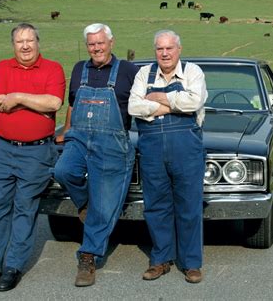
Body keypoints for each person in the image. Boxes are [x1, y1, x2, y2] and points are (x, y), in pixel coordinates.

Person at [0, 23, 65, 292]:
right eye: (19, 41)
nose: (25, 46)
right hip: (3, 149)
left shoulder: (52, 68)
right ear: (13, 45)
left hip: (36, 152)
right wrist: (34, 101)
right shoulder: (2, 67)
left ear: (38, 42)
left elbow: (53, 103)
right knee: (0, 207)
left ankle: (13, 266)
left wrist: (15, 97)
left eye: (29, 40)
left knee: (25, 208)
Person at [53, 23, 139, 287]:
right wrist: (65, 132)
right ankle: (85, 205)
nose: (96, 48)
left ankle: (88, 256)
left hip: (113, 143)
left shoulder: (127, 70)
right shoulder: (80, 68)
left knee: (104, 207)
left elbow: (141, 106)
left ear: (111, 42)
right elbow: (72, 103)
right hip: (79, 138)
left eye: (100, 43)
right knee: (63, 171)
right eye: (91, 44)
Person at [128, 29, 207, 283]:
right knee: (156, 206)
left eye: (169, 48)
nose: (164, 53)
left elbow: (194, 102)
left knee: (189, 206)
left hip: (186, 149)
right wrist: (175, 105)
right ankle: (160, 259)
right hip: (151, 150)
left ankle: (191, 263)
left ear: (179, 49)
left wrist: (159, 99)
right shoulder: (144, 74)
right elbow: (133, 106)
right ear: (155, 51)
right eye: (160, 49)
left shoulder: (193, 72)